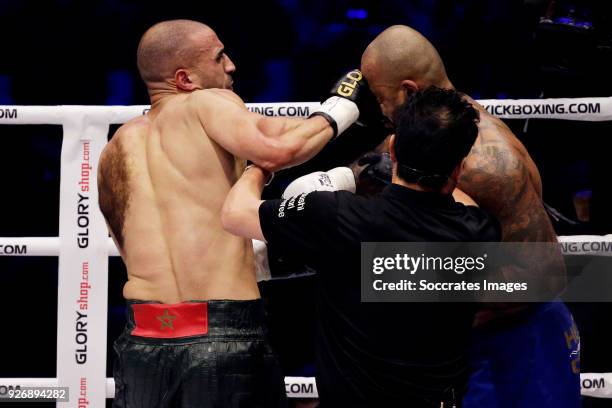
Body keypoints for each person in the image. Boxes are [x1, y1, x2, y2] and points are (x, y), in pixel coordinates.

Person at [97, 19, 374, 408]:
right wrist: (341, 109)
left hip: (143, 341)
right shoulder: (205, 102)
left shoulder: (114, 149)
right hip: (222, 336)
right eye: (219, 56)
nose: (231, 66)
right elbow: (273, 148)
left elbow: (138, 243)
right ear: (185, 78)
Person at [222, 87, 501, 407]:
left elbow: (234, 214)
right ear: (459, 167)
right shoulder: (480, 233)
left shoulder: (337, 215)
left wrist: (263, 165)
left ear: (392, 149)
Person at [359, 25, 580, 407]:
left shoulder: (486, 162)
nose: (378, 110)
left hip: (517, 344)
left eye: (380, 98)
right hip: (466, 346)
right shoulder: (426, 138)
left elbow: (546, 274)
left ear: (409, 91)